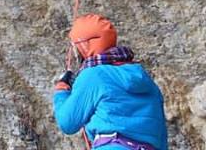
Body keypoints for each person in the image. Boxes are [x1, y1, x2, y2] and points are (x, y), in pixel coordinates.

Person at [54, 14, 168, 150]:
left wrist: (61, 91)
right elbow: (161, 136)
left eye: (75, 47)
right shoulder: (146, 80)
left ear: (84, 46)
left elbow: (68, 122)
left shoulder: (93, 76)